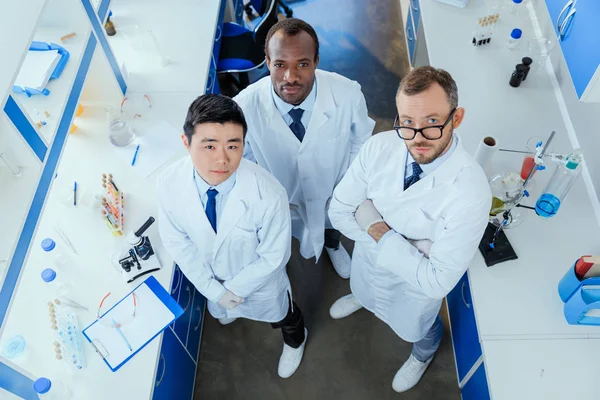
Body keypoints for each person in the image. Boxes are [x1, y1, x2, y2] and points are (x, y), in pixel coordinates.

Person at [327, 67, 491, 392]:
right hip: (368, 264)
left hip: (413, 294)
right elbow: (339, 211)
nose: (416, 138)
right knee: (365, 287)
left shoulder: (471, 193)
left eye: (431, 123)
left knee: (421, 328)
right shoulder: (380, 147)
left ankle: (422, 354)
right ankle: (363, 298)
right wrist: (413, 247)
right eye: (406, 122)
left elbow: (435, 281)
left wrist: (373, 223)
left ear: (456, 118)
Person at [156, 94, 307, 379]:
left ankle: (295, 340)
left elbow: (275, 256)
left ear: (243, 145)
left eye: (232, 146)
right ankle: (229, 306)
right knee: (223, 309)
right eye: (209, 145)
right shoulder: (168, 183)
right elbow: (177, 241)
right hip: (214, 282)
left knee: (284, 314)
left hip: (259, 284)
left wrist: (233, 291)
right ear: (186, 143)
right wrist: (216, 292)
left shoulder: (269, 194)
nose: (222, 159)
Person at [234, 18, 375, 279]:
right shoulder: (243, 107)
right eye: (279, 65)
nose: (291, 77)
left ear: (316, 62)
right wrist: (267, 196)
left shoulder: (347, 94)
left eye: (302, 64)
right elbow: (246, 159)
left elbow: (361, 141)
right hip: (281, 201)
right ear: (267, 62)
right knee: (281, 237)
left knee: (331, 223)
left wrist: (347, 185)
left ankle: (332, 244)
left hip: (333, 191)